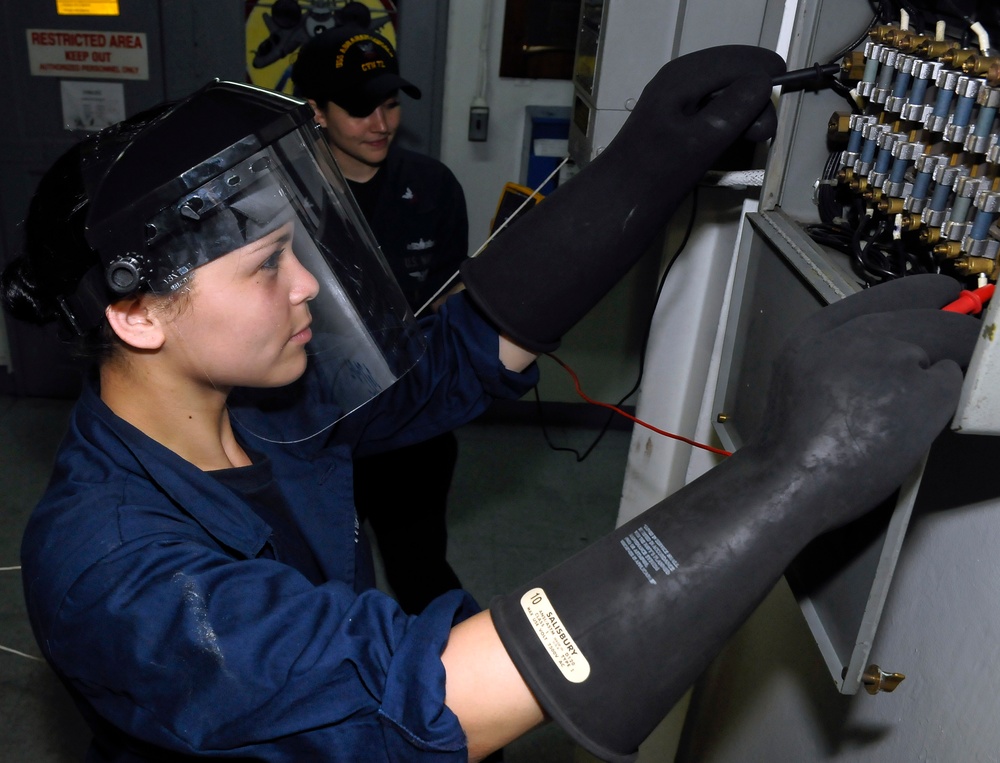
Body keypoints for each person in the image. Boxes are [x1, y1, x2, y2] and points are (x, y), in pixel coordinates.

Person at [0, 47, 979, 763]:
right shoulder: (105, 567)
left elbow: (464, 354)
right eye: (266, 266)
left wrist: (644, 164)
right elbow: (427, 697)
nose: (307, 288)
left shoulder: (261, 405)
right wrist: (789, 477)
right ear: (136, 318)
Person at [291, 10, 469, 614]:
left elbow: (448, 300)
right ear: (316, 110)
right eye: (360, 108)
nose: (380, 123)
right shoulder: (281, 199)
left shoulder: (434, 187)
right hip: (315, 424)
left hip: (410, 421)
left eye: (390, 104)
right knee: (321, 583)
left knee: (421, 570)